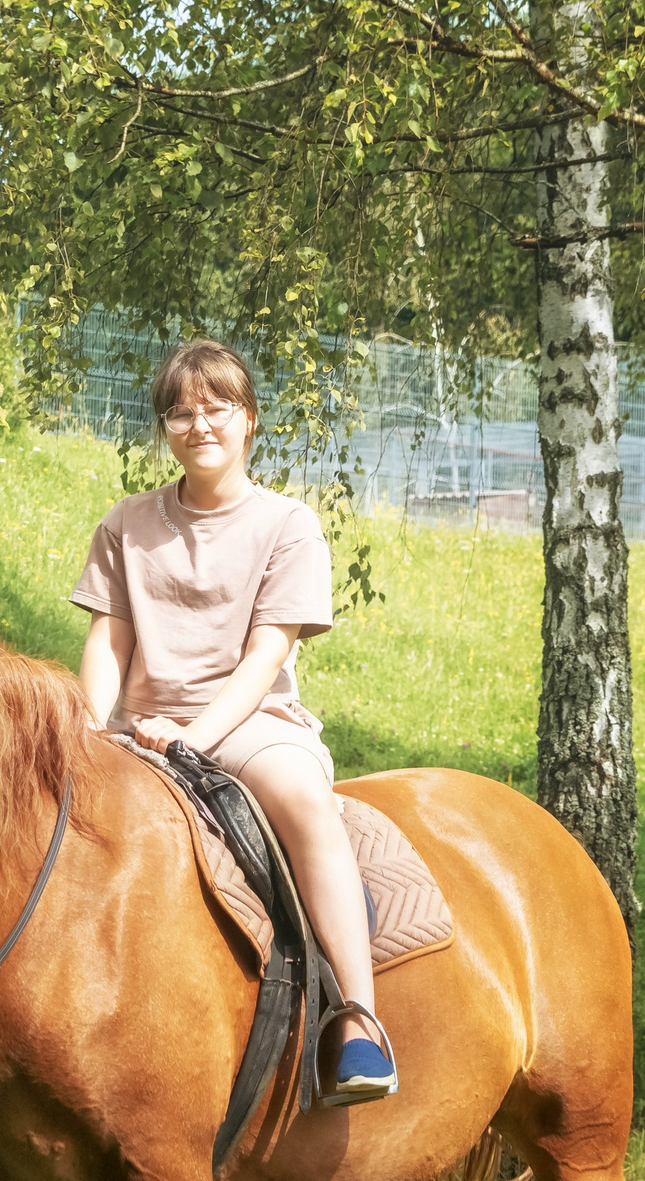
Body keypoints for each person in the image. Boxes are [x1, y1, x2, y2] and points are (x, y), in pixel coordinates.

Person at [71, 339, 397, 1104]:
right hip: (140, 725)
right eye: (179, 412)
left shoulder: (289, 526)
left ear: (249, 420)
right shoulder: (127, 524)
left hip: (253, 724)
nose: (198, 424)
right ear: (164, 429)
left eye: (216, 408)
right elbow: (107, 644)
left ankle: (357, 1021)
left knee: (305, 803)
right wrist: (89, 730)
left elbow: (264, 658)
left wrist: (196, 738)